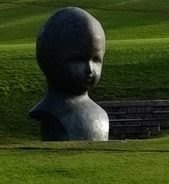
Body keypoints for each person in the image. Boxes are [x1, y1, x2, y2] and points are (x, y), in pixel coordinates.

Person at [29, 7, 110, 142]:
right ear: (49, 59)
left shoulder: (101, 114)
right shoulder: (50, 112)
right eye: (78, 60)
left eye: (96, 59)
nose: (89, 69)